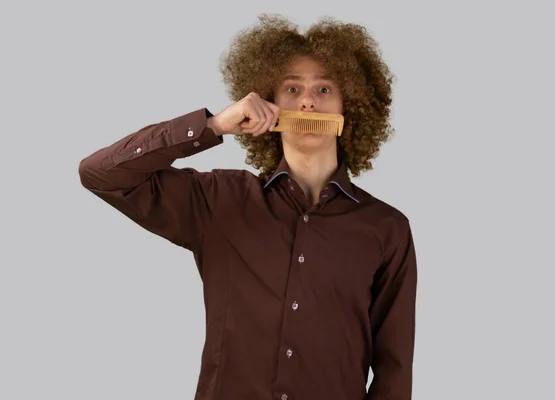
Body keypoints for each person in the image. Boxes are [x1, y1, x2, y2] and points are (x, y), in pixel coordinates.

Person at [79, 14, 418, 400]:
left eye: (324, 89)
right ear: (268, 105)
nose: (307, 101)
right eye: (292, 89)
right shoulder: (219, 201)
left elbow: (393, 371)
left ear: (350, 106)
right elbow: (100, 173)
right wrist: (212, 126)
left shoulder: (387, 228)